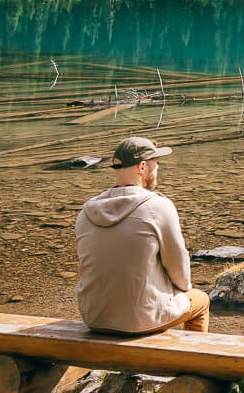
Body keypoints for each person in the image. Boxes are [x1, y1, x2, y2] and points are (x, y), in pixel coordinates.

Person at [74, 136, 209, 335]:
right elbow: (179, 272)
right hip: (141, 321)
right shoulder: (158, 206)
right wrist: (182, 289)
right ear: (143, 167)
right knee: (201, 301)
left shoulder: (86, 211)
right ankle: (192, 363)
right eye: (157, 164)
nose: (158, 169)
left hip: (94, 318)